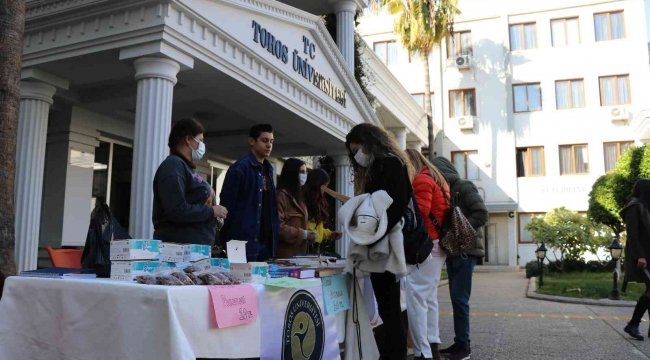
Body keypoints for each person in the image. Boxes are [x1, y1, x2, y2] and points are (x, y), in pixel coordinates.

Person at [346, 123, 414, 360]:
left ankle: (395, 354)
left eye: (358, 149)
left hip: (384, 241)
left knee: (390, 307)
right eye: (353, 152)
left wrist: (374, 234)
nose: (357, 156)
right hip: (379, 240)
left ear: (369, 142)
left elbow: (397, 204)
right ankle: (392, 352)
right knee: (387, 306)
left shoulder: (390, 163)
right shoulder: (381, 164)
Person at [431, 156, 488, 360]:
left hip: (465, 251)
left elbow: (482, 214)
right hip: (454, 250)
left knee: (460, 299)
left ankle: (464, 348)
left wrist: (459, 230)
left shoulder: (463, 186)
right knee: (457, 300)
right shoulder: (444, 190)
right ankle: (460, 344)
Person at [152, 118, 228, 245]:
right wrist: (212, 211)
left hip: (194, 248)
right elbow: (176, 210)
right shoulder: (173, 165)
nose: (202, 146)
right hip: (180, 249)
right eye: (200, 140)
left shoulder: (185, 167)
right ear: (188, 139)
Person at [405, 149, 450, 360]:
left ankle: (422, 352)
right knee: (430, 298)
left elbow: (420, 211)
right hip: (438, 246)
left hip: (427, 246)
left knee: (416, 299)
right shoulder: (438, 178)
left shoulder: (421, 179)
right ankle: (433, 345)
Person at [220, 124, 279, 262]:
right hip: (242, 243)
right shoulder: (240, 168)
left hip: (264, 243)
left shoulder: (269, 170)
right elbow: (227, 205)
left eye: (271, 141)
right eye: (264, 140)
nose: (269, 145)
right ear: (252, 141)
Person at [622, 179, 650, 340]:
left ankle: (637, 325)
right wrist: (639, 255)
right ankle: (633, 324)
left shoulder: (645, 207)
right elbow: (632, 235)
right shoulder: (634, 207)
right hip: (642, 255)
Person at [276, 158, 316, 258]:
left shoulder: (299, 197)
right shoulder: (281, 196)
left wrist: (309, 234)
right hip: (285, 257)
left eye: (305, 172)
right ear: (292, 174)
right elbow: (279, 227)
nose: (304, 175)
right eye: (301, 172)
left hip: (300, 256)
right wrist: (304, 234)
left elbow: (299, 223)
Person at [303, 169, 342, 254]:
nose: (323, 192)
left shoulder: (318, 203)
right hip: (304, 248)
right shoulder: (303, 201)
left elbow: (317, 229)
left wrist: (329, 234)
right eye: (323, 188)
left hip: (315, 249)